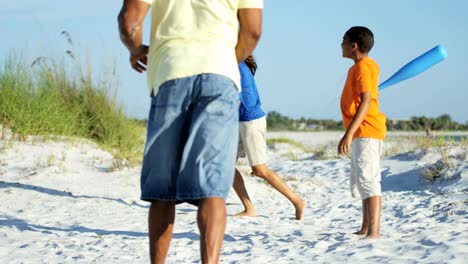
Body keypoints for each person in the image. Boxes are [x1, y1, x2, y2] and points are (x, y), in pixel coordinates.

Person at [117, 0, 263, 263]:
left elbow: (129, 22)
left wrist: (137, 49)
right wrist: (226, 61)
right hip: (219, 78)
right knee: (212, 189)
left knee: (162, 190)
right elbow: (252, 31)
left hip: (170, 72)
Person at [232, 55, 306, 220]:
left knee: (259, 169)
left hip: (250, 120)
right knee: (227, 166)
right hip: (239, 121)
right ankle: (249, 208)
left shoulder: (236, 62)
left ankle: (297, 201)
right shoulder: (234, 61)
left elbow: (239, 97)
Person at [338, 26, 387, 239]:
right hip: (363, 131)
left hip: (366, 129)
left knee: (368, 179)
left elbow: (366, 100)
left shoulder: (363, 68)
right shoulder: (361, 67)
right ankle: (366, 227)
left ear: (353, 46)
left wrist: (348, 133)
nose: (341, 44)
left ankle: (374, 231)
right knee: (362, 178)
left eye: (344, 40)